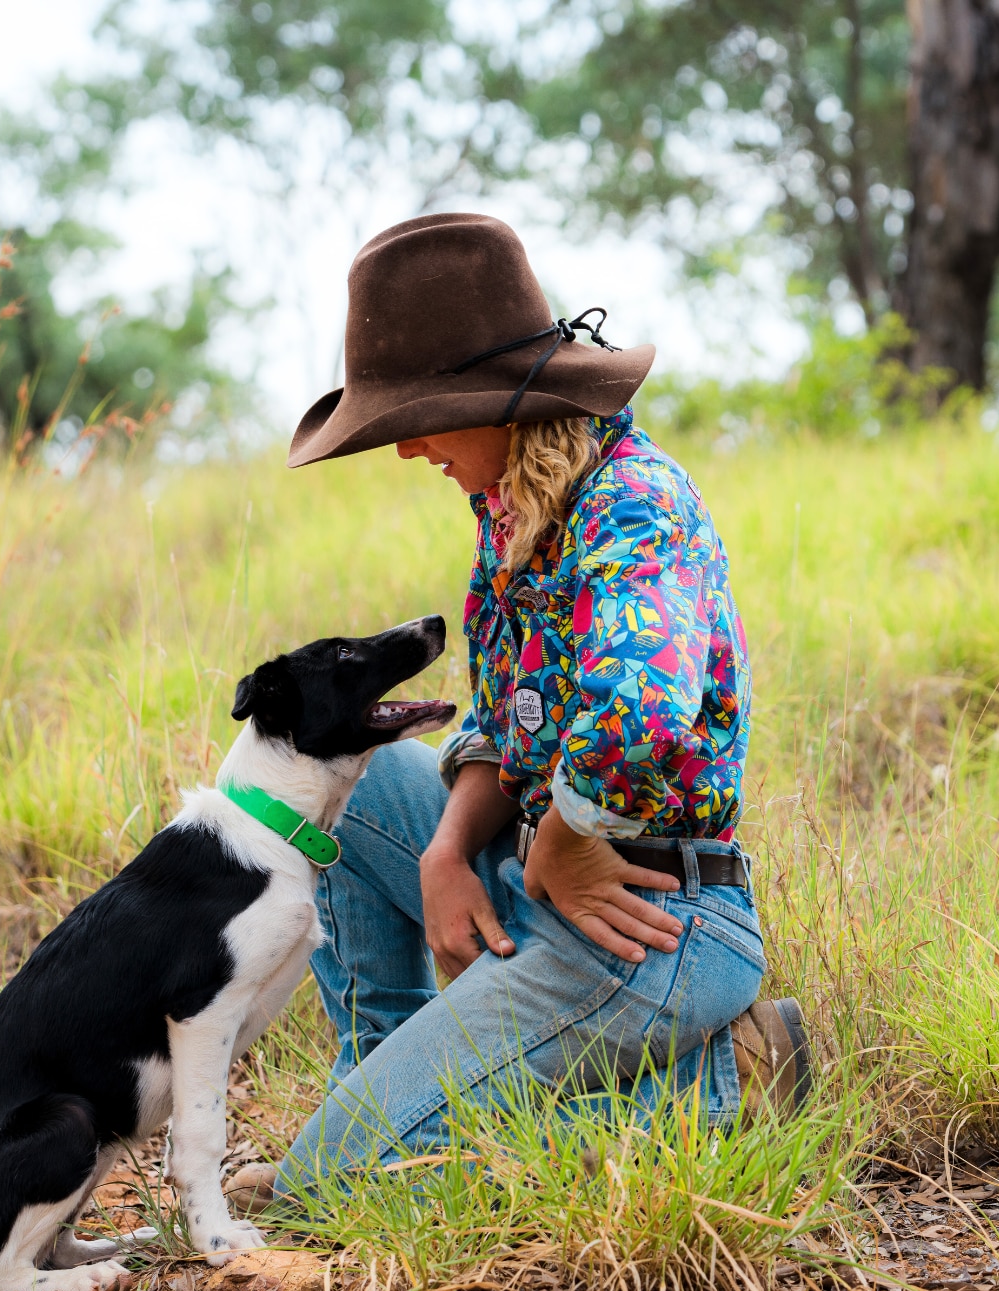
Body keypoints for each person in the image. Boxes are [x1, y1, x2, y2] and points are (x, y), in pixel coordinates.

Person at [262, 212, 807, 1212]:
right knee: (336, 768)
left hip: (649, 919)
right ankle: (377, 1082)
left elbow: (643, 707)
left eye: (416, 418)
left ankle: (718, 1084)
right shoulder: (514, 507)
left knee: (330, 1185)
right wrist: (445, 852)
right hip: (539, 878)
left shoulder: (635, 507)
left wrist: (564, 834)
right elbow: (505, 719)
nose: (407, 449)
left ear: (498, 404)